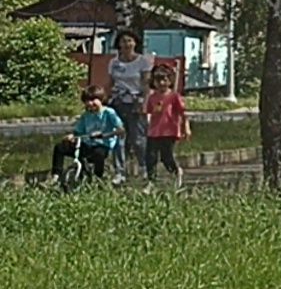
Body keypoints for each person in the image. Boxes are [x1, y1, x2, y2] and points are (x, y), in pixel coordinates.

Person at [106, 30, 154, 182]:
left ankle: (145, 167)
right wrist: (105, 99)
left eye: (129, 41)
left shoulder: (142, 61)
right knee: (118, 137)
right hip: (118, 101)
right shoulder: (114, 62)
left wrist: (144, 103)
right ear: (118, 44)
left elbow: (146, 84)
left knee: (138, 139)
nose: (126, 44)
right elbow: (110, 82)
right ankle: (120, 171)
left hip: (135, 102)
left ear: (135, 43)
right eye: (123, 41)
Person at [52, 85, 124, 185]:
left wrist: (104, 135)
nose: (90, 103)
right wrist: (72, 136)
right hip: (87, 144)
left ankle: (98, 178)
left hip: (102, 145)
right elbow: (78, 131)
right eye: (87, 101)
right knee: (60, 147)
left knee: (99, 154)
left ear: (101, 99)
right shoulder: (86, 115)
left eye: (93, 100)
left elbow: (120, 130)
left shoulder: (109, 113)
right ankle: (56, 175)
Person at [144, 65, 191, 187]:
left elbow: (183, 112)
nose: (161, 83)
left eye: (164, 80)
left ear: (170, 80)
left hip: (169, 131)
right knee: (150, 157)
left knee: (166, 157)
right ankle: (151, 181)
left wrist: (186, 127)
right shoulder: (152, 97)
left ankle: (176, 171)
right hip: (154, 131)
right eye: (157, 80)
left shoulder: (174, 97)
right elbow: (149, 113)